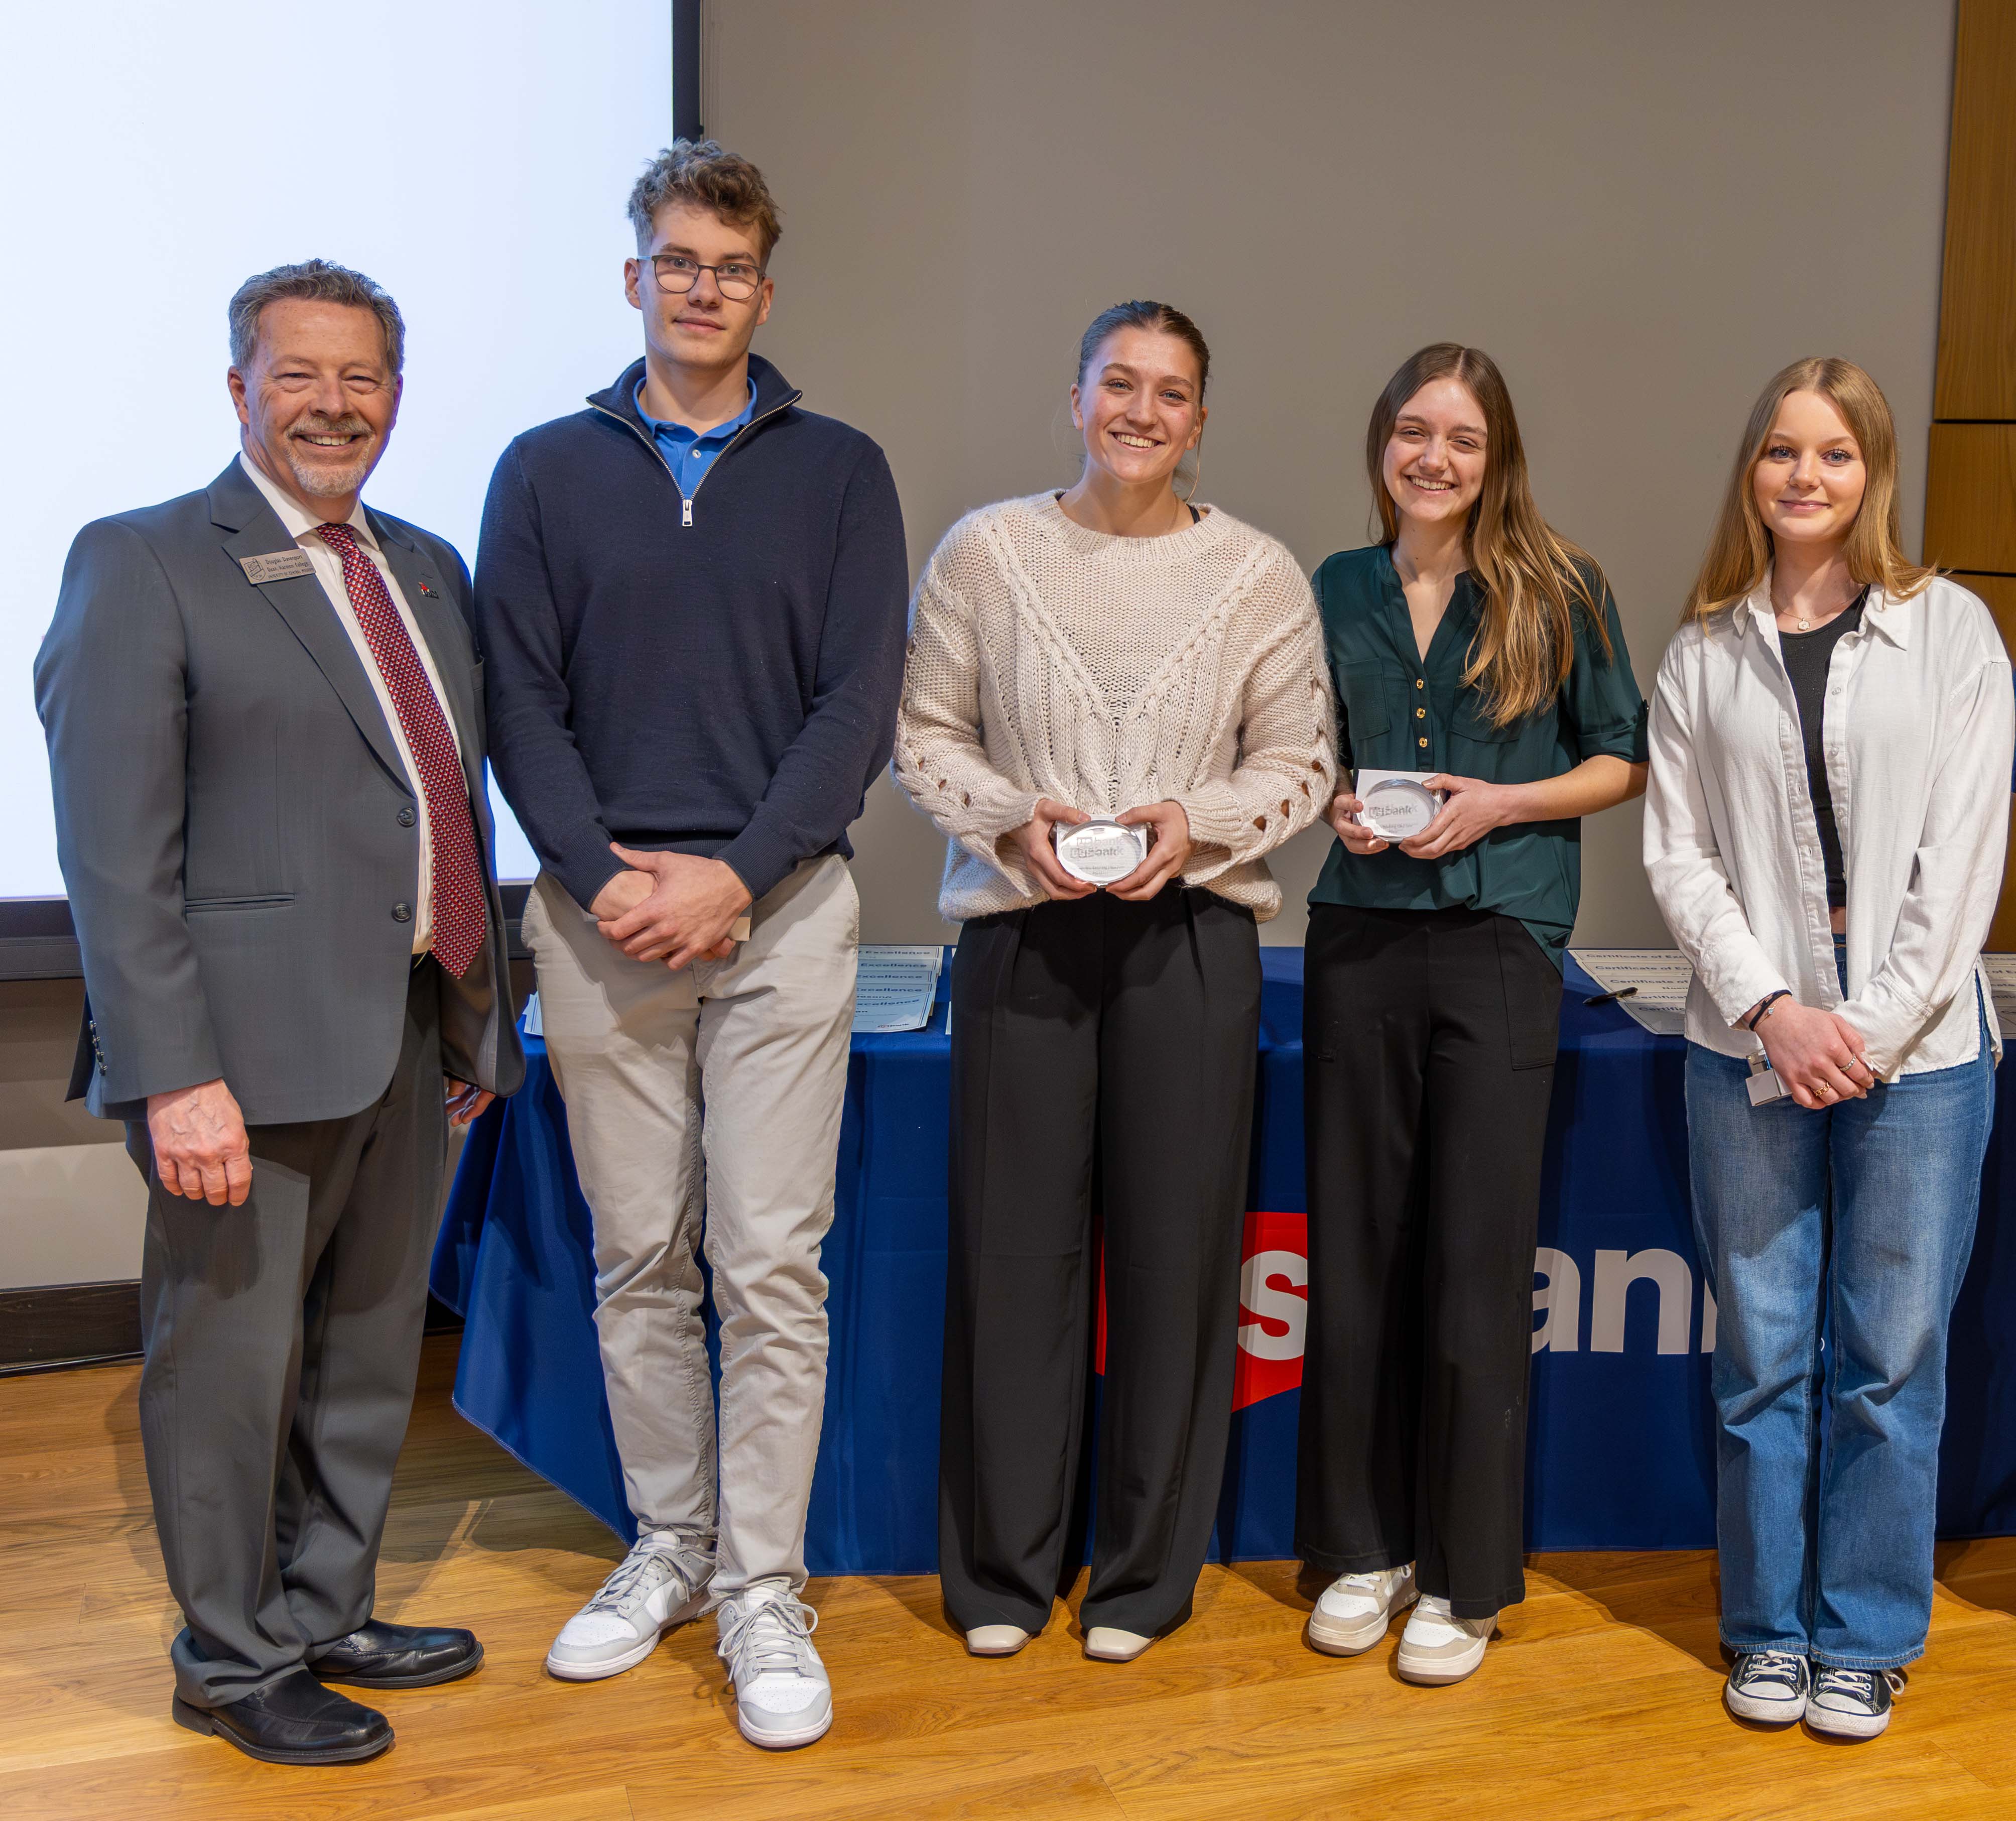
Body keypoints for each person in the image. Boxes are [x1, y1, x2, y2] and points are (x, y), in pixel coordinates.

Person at [34, 262, 524, 1766]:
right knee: (229, 1371)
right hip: (237, 1061)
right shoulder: (144, 560)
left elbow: (442, 802)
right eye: (298, 373)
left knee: (369, 1354)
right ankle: (232, 1660)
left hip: (407, 1031)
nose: (333, 404)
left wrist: (473, 1018)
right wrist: (169, 1073)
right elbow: (115, 858)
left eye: (361, 377)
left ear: (397, 395)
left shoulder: (425, 567)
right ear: (238, 387)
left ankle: (324, 1609)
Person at [474, 141, 908, 1751]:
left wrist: (734, 877)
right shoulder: (543, 469)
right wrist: (603, 879)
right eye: (677, 262)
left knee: (769, 1263)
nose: (702, 289)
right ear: (634, 277)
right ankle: (671, 1543)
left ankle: (763, 1587)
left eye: (730, 268)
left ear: (764, 293)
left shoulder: (842, 470)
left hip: (781, 911)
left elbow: (855, 703)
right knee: (638, 1256)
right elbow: (518, 700)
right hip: (599, 921)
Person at [895, 300, 1334, 1664]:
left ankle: (1144, 1577)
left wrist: (1193, 826)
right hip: (1023, 934)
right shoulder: (987, 552)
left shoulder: (1258, 574)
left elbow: (1302, 763)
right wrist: (1008, 818)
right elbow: (924, 732)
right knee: (1013, 1258)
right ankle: (1002, 1575)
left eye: (1172, 392)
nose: (1144, 412)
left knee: (1175, 1261)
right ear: (1076, 397)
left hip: (1190, 941)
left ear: (1201, 420)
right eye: (1120, 384)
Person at [1644, 358, 2012, 1740]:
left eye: (1836, 453)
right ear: (1751, 470)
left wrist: (1858, 1030)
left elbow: (1962, 861)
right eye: (1783, 451)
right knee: (1762, 1353)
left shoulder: (1953, 631)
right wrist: (1776, 1012)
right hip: (1748, 1042)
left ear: (1875, 472)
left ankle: (1864, 1636)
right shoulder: (1702, 649)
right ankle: (1768, 1631)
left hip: (1920, 1058)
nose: (1807, 476)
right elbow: (1677, 855)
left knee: (1892, 1358)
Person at [1295, 343, 1647, 1684]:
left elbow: (1622, 756)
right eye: (1414, 430)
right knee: (1358, 1251)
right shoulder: (1335, 585)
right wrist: (1335, 804)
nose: (1434, 457)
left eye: (1463, 438)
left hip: (1503, 940)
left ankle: (1464, 1576)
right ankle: (1365, 1550)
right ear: (1382, 441)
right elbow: (1310, 756)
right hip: (1360, 936)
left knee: (1478, 1265)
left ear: (1497, 459)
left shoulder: (1561, 587)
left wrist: (1503, 802)